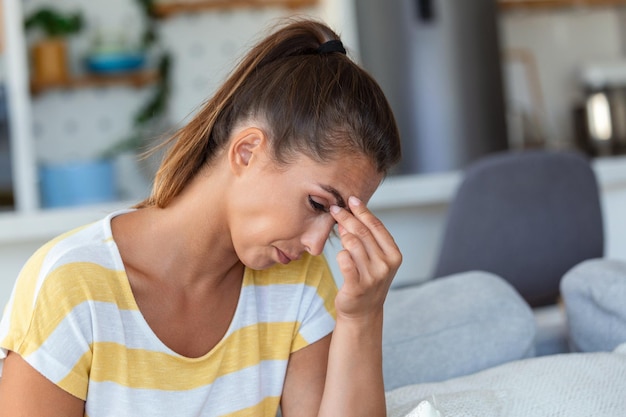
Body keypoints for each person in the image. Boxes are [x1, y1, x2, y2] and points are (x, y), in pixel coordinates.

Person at [0, 18, 402, 417]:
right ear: (248, 151)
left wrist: (363, 317)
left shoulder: (299, 284)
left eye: (335, 224)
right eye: (317, 204)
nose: (317, 245)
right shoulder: (71, 287)